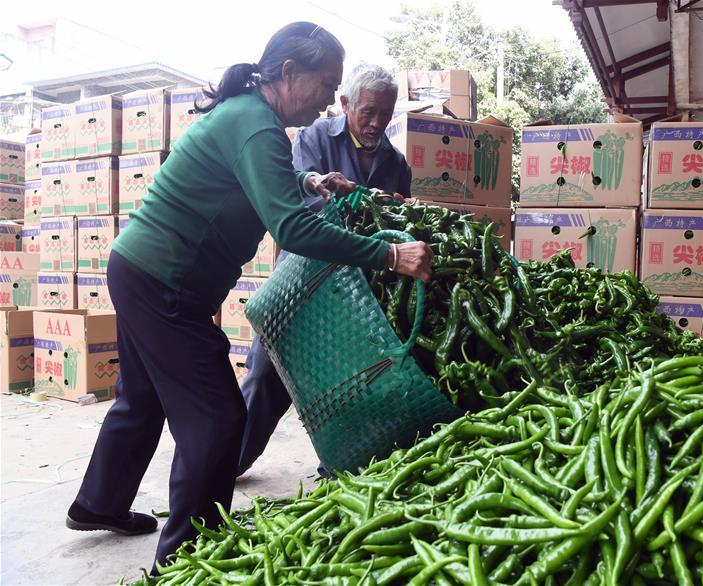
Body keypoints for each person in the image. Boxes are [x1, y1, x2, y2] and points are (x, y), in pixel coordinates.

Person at [64, 22, 433, 570]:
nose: (330, 98)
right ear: (289, 73)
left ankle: (99, 502)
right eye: (326, 82)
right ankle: (187, 558)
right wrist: (390, 255)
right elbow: (293, 232)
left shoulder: (250, 117)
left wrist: (310, 183)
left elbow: (249, 181)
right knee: (216, 419)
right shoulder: (257, 127)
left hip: (141, 267)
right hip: (166, 281)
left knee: (141, 399)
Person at [237, 63, 411, 477]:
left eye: (385, 114)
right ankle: (226, 462)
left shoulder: (396, 161)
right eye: (368, 112)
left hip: (360, 295)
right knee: (267, 373)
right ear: (347, 104)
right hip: (303, 280)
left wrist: (392, 212)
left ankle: (337, 467)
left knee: (350, 382)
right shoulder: (314, 139)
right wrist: (368, 212)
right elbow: (304, 210)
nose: (376, 123)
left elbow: (399, 219)